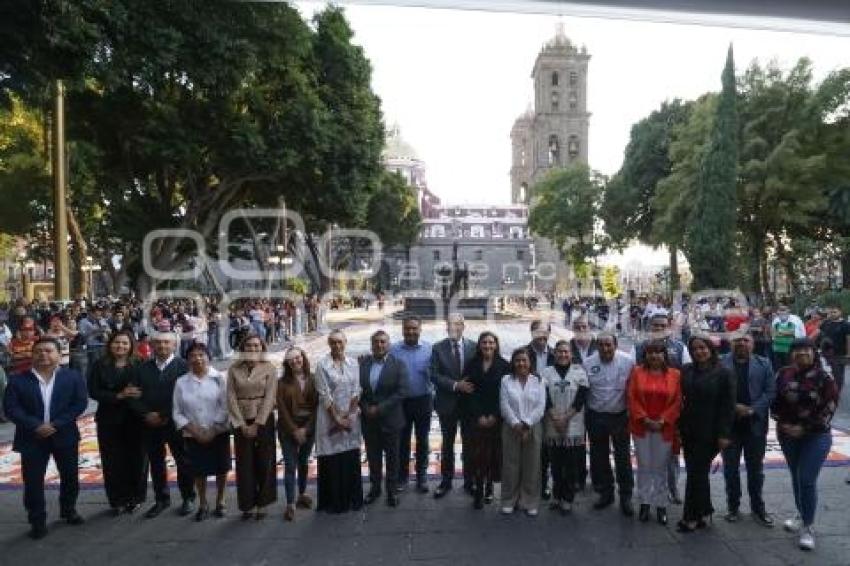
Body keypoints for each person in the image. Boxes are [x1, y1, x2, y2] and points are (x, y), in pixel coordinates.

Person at [3, 337, 88, 539]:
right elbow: (11, 409)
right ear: (32, 354)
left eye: (49, 351)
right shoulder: (17, 380)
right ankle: (37, 520)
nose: (44, 355)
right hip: (31, 438)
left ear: (59, 355)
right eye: (39, 351)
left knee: (70, 477)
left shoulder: (72, 377)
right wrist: (36, 425)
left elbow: (79, 403)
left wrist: (56, 424)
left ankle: (68, 510)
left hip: (64, 435)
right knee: (33, 482)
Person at [773, 338, 839, 551]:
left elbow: (829, 408)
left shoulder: (825, 377)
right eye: (797, 350)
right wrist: (783, 424)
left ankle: (808, 528)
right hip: (787, 434)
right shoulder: (783, 373)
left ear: (813, 352)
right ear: (791, 354)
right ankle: (801, 515)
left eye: (806, 349)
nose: (801, 353)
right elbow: (774, 402)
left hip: (816, 436)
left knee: (806, 479)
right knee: (795, 476)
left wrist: (804, 428)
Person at [129, 330, 196, 518]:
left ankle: (188, 497)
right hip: (149, 424)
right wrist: (145, 413)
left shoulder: (184, 366)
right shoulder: (141, 368)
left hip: (176, 423)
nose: (162, 346)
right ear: (151, 345)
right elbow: (132, 395)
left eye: (166, 343)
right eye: (158, 343)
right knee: (156, 462)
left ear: (174, 345)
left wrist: (164, 414)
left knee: (183, 461)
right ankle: (161, 499)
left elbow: (187, 396)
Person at [676, 335, 736, 532]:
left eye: (702, 348)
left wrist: (724, 434)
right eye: (694, 349)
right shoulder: (686, 370)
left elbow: (728, 406)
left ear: (710, 349)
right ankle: (704, 510)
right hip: (688, 429)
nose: (699, 352)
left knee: (696, 473)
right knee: (698, 472)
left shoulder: (724, 373)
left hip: (710, 431)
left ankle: (691, 517)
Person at [632, 312, 691, 505]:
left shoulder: (680, 347)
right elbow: (633, 378)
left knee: (671, 454)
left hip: (672, 411)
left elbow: (688, 375)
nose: (658, 328)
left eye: (662, 325)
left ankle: (673, 489)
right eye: (655, 325)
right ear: (650, 327)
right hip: (645, 410)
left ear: (669, 326)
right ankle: (647, 494)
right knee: (647, 457)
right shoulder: (640, 347)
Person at [88, 330, 147, 515]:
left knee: (137, 458)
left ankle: (136, 497)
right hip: (109, 418)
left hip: (135, 418)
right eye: (116, 343)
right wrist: (118, 395)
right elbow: (94, 391)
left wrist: (140, 393)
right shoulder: (99, 365)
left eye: (124, 343)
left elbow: (148, 387)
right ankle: (117, 499)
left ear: (131, 346)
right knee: (112, 460)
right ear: (110, 344)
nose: (120, 346)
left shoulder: (140, 364)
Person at [720, 333, 776, 526]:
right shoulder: (720, 362)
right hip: (729, 425)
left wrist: (752, 409)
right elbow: (716, 390)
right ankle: (733, 506)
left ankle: (758, 507)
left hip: (755, 424)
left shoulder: (764, 363)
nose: (741, 343)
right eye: (737, 340)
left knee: (756, 469)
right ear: (731, 343)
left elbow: (770, 392)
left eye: (746, 340)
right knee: (730, 469)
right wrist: (734, 406)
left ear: (752, 344)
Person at [173, 343, 230, 521]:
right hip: (193, 434)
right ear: (187, 359)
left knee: (221, 468)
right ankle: (203, 503)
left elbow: (226, 406)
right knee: (199, 471)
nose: (197, 358)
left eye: (201, 355)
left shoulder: (219, 378)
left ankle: (220, 501)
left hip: (217, 432)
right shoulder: (181, 382)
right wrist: (195, 431)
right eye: (193, 355)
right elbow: (177, 411)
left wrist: (212, 429)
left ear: (208, 357)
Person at [627, 340, 681, 526]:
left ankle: (660, 504)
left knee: (660, 468)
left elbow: (677, 402)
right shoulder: (636, 372)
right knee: (644, 466)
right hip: (642, 426)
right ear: (645, 355)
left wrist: (664, 420)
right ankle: (644, 502)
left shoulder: (675, 375)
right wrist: (644, 418)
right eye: (650, 352)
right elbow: (631, 397)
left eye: (658, 352)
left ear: (665, 355)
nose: (654, 356)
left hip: (664, 428)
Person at [583, 332, 636, 516]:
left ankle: (626, 496)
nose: (605, 349)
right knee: (599, 457)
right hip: (596, 416)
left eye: (609, 345)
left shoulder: (628, 362)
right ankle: (606, 493)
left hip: (619, 416)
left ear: (616, 345)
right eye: (602, 345)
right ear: (597, 346)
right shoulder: (588, 363)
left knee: (623, 458)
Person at [227, 334, 278, 520]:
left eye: (257, 346)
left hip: (263, 420)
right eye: (249, 346)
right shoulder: (234, 369)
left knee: (265, 461)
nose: (253, 349)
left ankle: (263, 503)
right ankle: (247, 504)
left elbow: (270, 397)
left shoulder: (269, 368)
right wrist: (241, 424)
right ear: (243, 348)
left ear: (262, 348)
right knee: (244, 464)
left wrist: (257, 423)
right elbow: (230, 397)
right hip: (241, 419)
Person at [314, 330, 363, 513]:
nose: (337, 346)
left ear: (346, 342)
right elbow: (324, 395)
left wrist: (349, 415)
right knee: (333, 459)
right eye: (333, 342)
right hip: (329, 418)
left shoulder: (353, 363)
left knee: (350, 456)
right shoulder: (322, 365)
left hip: (350, 417)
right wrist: (337, 419)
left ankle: (353, 498)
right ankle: (335, 502)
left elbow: (356, 390)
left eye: (340, 342)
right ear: (329, 344)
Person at [430, 313, 477, 498]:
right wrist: (456, 385)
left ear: (463, 326)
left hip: (468, 405)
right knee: (447, 444)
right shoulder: (437, 348)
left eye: (458, 324)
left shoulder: (474, 346)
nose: (454, 327)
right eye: (450, 324)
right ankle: (446, 481)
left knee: (469, 444)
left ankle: (469, 481)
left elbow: (479, 371)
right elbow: (434, 375)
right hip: (447, 404)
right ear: (446, 327)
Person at [361, 330, 409, 507]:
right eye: (376, 342)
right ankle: (375, 489)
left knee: (392, 458)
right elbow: (358, 391)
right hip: (369, 421)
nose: (379, 345)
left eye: (383, 342)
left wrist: (379, 409)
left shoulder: (399, 364)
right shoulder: (363, 364)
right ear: (372, 344)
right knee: (373, 457)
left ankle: (392, 491)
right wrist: (366, 408)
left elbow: (402, 392)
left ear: (388, 344)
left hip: (391, 420)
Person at [541, 339, 589, 514]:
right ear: (554, 353)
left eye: (566, 352)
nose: (562, 354)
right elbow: (543, 397)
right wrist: (555, 417)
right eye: (559, 351)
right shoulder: (546, 372)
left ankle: (567, 498)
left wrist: (565, 418)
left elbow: (581, 398)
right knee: (555, 463)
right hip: (552, 423)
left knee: (570, 465)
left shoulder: (579, 372)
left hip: (573, 424)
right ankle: (556, 495)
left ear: (571, 354)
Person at [463, 331, 510, 509]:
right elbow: (468, 392)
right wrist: (479, 415)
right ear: (479, 345)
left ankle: (489, 487)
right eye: (484, 343)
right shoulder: (471, 365)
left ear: (496, 345)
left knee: (493, 455)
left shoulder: (504, 366)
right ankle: (478, 488)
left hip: (496, 418)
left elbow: (506, 394)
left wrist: (494, 415)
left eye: (491, 343)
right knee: (477, 455)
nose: (488, 346)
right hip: (476, 418)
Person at [500, 348, 547, 516]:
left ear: (530, 363)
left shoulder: (538, 381)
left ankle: (529, 500)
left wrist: (526, 424)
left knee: (532, 465)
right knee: (510, 465)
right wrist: (516, 424)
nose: (521, 363)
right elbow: (504, 405)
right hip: (511, 427)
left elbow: (540, 407)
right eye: (518, 360)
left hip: (533, 427)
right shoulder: (506, 380)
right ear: (513, 362)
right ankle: (508, 499)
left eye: (524, 360)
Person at [391, 316, 433, 494]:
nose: (411, 332)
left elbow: (436, 374)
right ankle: (402, 476)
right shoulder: (393, 350)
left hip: (423, 400)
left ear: (420, 330)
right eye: (407, 328)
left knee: (423, 440)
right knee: (402, 440)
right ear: (402, 330)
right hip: (402, 402)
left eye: (414, 328)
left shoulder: (430, 349)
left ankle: (422, 475)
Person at [277, 347, 318, 521]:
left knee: (303, 462)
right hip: (288, 428)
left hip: (308, 427)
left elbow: (317, 407)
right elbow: (282, 409)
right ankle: (290, 503)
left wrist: (306, 429)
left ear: (303, 358)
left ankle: (302, 493)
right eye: (291, 359)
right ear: (287, 363)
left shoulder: (314, 378)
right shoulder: (281, 382)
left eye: (298, 357)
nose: (295, 361)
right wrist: (294, 429)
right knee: (290, 465)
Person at [525, 319, 555, 500]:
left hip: (550, 410)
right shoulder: (522, 354)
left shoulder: (556, 354)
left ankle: (544, 484)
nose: (541, 336)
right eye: (537, 332)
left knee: (545, 450)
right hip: (528, 409)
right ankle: (528, 485)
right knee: (529, 449)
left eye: (544, 333)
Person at [818, 305, 850, 392]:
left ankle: (836, 392)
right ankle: (828, 390)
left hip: (840, 354)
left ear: (840, 312)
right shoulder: (826, 323)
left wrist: (848, 354)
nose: (832, 314)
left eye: (835, 312)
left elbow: (848, 339)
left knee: (838, 375)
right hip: (826, 353)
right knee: (826, 373)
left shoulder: (845, 325)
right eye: (831, 312)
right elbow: (820, 335)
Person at [772, 305, 805, 370]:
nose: (782, 313)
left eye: (784, 311)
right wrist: (784, 333)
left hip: (791, 348)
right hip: (778, 349)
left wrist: (780, 333)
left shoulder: (795, 319)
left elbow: (792, 332)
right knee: (779, 368)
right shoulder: (776, 320)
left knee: (790, 367)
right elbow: (773, 333)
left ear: (788, 311)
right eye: (780, 311)